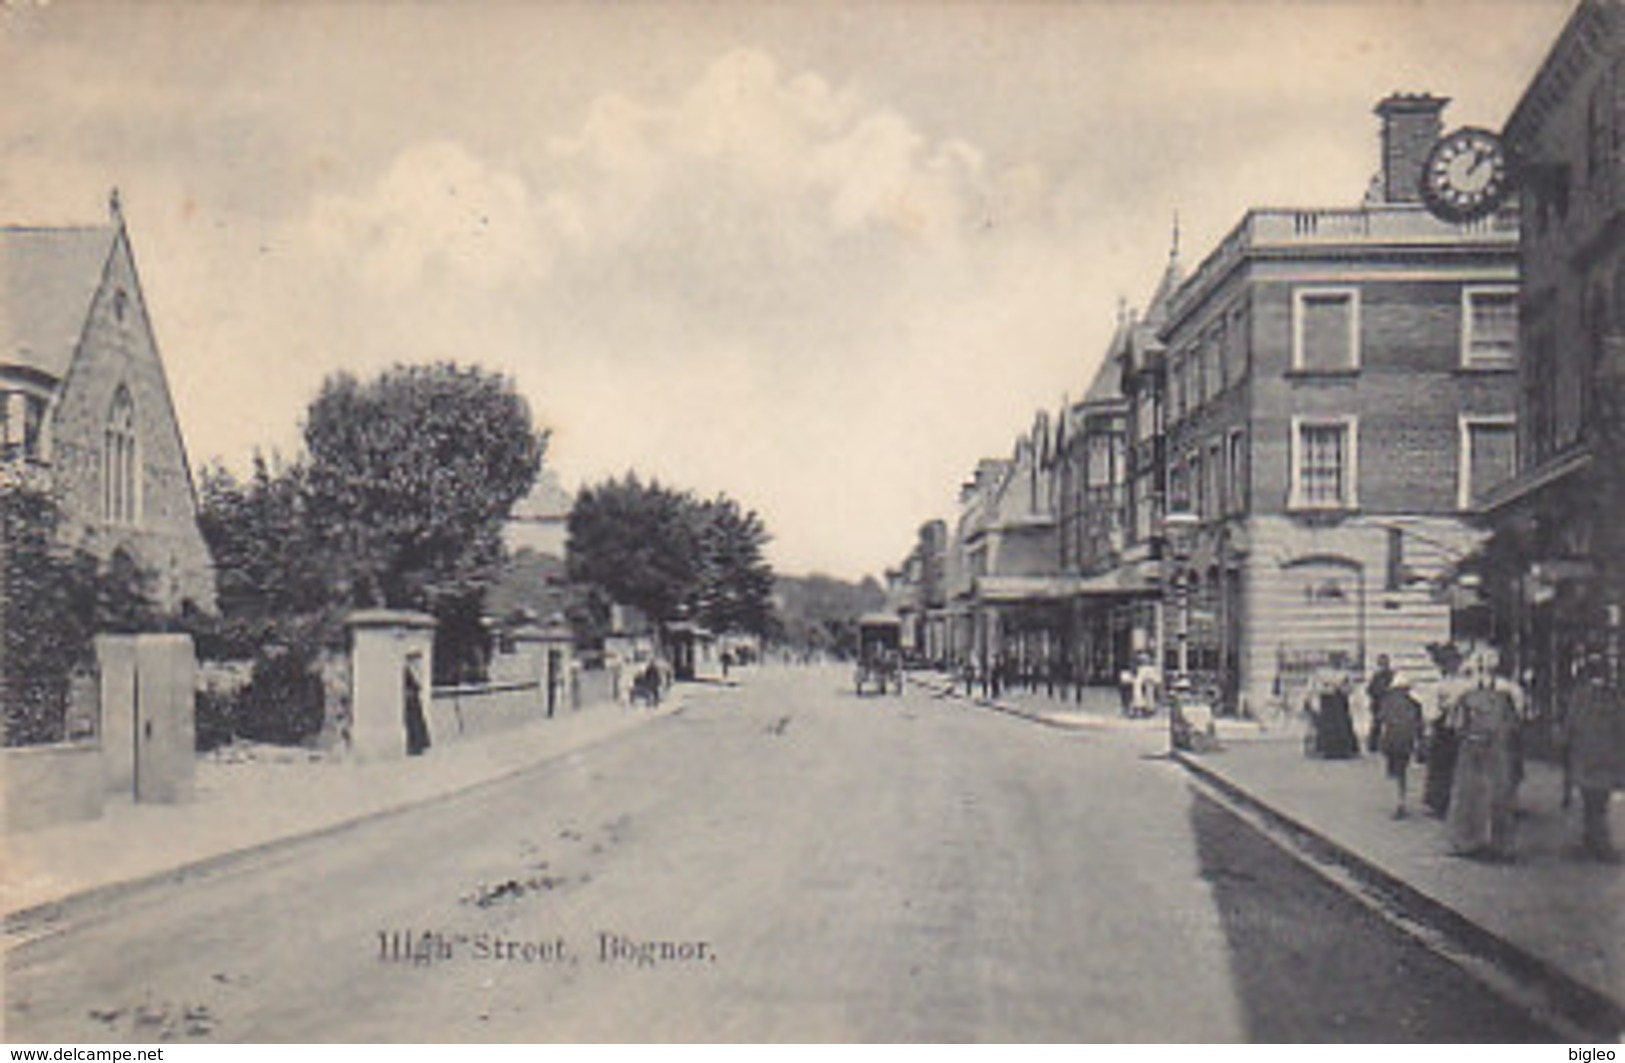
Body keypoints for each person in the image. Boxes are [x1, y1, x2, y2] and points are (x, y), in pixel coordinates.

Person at [1446, 655, 1519, 861]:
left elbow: (1455, 725)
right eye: (1483, 670)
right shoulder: (1502, 695)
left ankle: (1484, 842)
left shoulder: (1472, 695)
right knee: (1480, 795)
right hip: (1484, 750)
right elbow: (1512, 724)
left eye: (1487, 671)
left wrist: (1473, 734)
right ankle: (1480, 841)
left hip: (1485, 750)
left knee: (1486, 795)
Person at [1563, 654, 1623, 862]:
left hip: (1584, 756)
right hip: (1606, 757)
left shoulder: (1579, 696)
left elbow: (1570, 726)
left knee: (1590, 802)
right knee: (1600, 802)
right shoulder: (1614, 697)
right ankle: (1598, 843)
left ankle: (1593, 842)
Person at [1423, 645, 1469, 818]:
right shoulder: (1454, 685)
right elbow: (1432, 711)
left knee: (1447, 765)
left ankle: (1445, 802)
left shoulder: (1456, 685)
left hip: (1451, 727)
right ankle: (1442, 802)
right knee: (1444, 765)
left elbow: (1432, 711)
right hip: (1446, 727)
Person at [1376, 673, 1424, 818]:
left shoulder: (1387, 702)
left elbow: (1381, 720)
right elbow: (1419, 725)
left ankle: (1398, 802)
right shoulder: (1415, 704)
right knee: (1401, 770)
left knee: (1394, 771)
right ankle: (1400, 801)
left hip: (1392, 739)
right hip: (1405, 740)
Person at [1310, 670, 1359, 759]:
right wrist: (1329, 688)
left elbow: (1351, 688)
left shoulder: (1345, 674)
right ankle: (1327, 749)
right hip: (1327, 706)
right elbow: (1315, 688)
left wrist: (1341, 688)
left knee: (1342, 726)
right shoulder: (1320, 674)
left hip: (1340, 705)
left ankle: (1344, 749)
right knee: (1327, 726)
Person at [1366, 654, 1394, 753]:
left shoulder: (1391, 675)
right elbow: (1369, 690)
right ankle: (1373, 745)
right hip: (1379, 703)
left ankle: (1379, 744)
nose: (1383, 666)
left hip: (1387, 702)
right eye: (1381, 663)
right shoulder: (1377, 676)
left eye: (1384, 663)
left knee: (1386, 724)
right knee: (1377, 724)